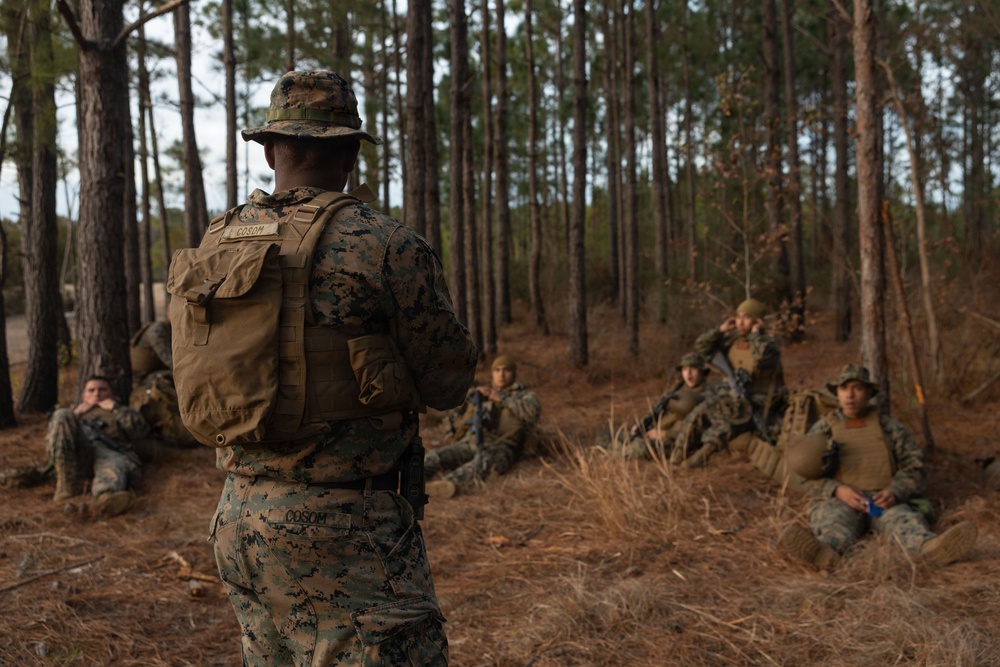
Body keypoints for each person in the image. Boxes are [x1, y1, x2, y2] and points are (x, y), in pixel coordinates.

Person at [198, 70, 476, 665]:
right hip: (344, 531)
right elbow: (449, 382)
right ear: (351, 152)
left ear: (271, 150)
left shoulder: (221, 241)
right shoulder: (386, 245)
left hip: (240, 516)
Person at [780, 364, 977, 569]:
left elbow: (915, 467)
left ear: (868, 392)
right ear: (837, 392)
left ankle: (931, 549)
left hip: (883, 500)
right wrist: (836, 490)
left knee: (904, 524)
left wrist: (895, 491)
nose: (850, 395)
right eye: (844, 388)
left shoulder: (889, 428)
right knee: (833, 524)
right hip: (841, 501)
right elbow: (804, 475)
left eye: (857, 388)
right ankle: (826, 553)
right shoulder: (824, 429)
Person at [672, 298, 786, 468]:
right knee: (697, 414)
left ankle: (695, 461)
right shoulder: (730, 341)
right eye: (738, 316)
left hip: (755, 403)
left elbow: (762, 358)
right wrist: (720, 330)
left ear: (757, 320)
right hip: (729, 398)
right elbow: (701, 346)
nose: (740, 322)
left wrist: (755, 334)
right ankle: (677, 455)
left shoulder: (769, 345)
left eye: (746, 317)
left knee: (724, 427)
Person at [425, 355, 542, 498]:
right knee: (436, 456)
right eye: (497, 370)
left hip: (502, 446)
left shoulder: (525, 396)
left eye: (506, 370)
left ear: (514, 373)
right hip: (470, 442)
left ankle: (445, 485)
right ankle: (408, 476)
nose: (502, 375)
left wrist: (501, 399)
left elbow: (531, 413)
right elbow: (452, 414)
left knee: (482, 463)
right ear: (492, 373)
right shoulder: (480, 394)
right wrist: (469, 396)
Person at [44, 375, 149, 518]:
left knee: (113, 464)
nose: (97, 394)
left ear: (111, 393)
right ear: (84, 395)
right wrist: (76, 414)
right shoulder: (73, 414)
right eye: (91, 390)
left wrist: (115, 409)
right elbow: (54, 441)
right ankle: (66, 487)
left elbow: (140, 432)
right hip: (80, 455)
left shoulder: (122, 411)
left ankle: (106, 499)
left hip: (108, 451)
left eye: (102, 390)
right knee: (62, 414)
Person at [613, 352, 709, 461]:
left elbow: (698, 427)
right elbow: (657, 409)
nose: (689, 373)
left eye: (693, 368)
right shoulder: (676, 389)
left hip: (673, 439)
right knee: (608, 437)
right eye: (685, 369)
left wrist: (665, 434)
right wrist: (641, 424)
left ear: (702, 371)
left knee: (639, 448)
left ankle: (609, 455)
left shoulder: (707, 395)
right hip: (653, 431)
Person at [128, 321, 196, 447]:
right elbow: (172, 362)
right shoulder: (157, 329)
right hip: (145, 380)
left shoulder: (173, 329)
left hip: (154, 375)